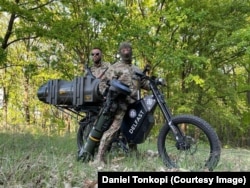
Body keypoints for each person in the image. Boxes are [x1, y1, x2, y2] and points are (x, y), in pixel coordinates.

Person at [93, 42, 150, 165]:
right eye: (123, 49)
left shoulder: (136, 69)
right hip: (121, 104)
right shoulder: (115, 67)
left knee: (133, 128)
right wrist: (107, 95)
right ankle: (99, 158)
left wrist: (154, 83)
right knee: (113, 129)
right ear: (120, 52)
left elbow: (144, 84)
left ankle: (134, 155)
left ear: (131, 51)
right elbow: (103, 83)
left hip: (134, 105)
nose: (126, 51)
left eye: (128, 49)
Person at [77, 47, 110, 160]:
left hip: (106, 96)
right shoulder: (89, 71)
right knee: (93, 124)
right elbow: (85, 86)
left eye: (97, 54)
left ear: (101, 54)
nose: (95, 56)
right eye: (93, 54)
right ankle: (89, 149)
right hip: (93, 99)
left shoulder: (108, 67)